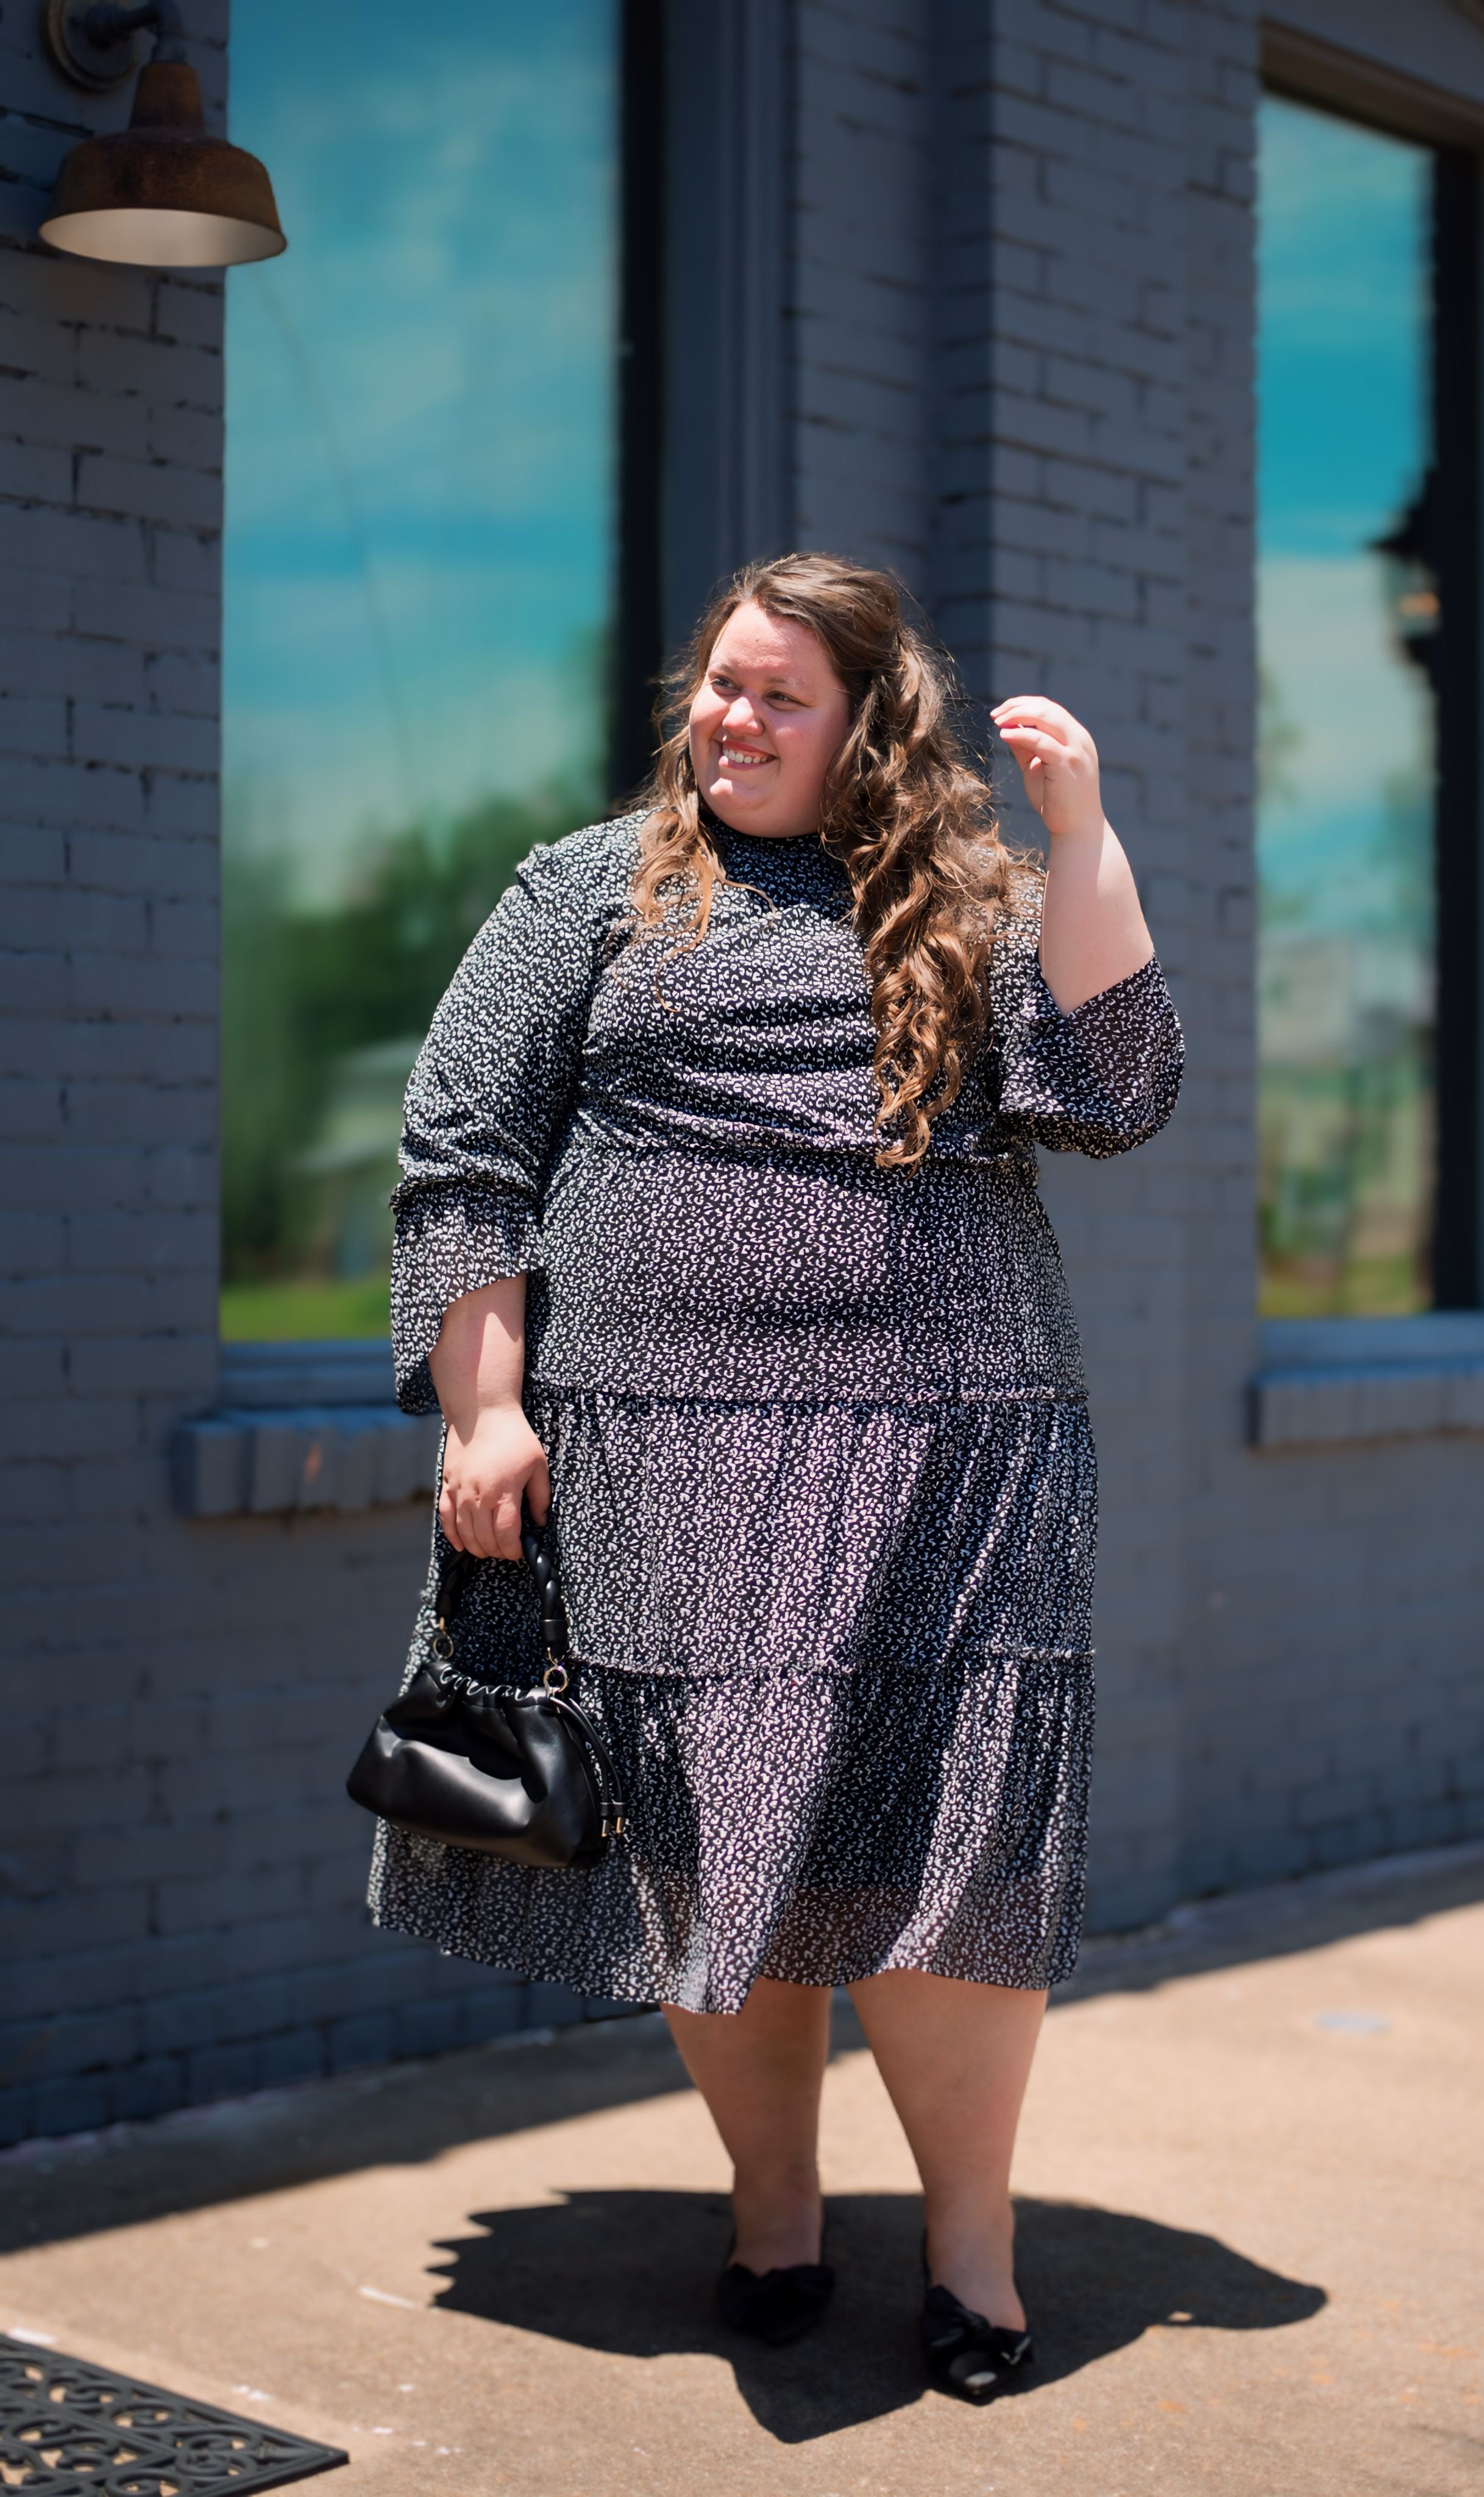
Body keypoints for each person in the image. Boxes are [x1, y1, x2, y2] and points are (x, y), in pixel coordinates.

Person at [368, 551, 1182, 2400]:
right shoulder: (586, 887)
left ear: (867, 725)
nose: (728, 717)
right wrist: (482, 1408)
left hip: (951, 1451)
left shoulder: (976, 902)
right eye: (719, 684)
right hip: (658, 1445)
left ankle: (971, 2251)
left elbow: (1116, 1090)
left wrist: (1084, 834)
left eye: (777, 696)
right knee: (718, 1827)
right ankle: (775, 2205)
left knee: (945, 1841)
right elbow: (463, 1147)